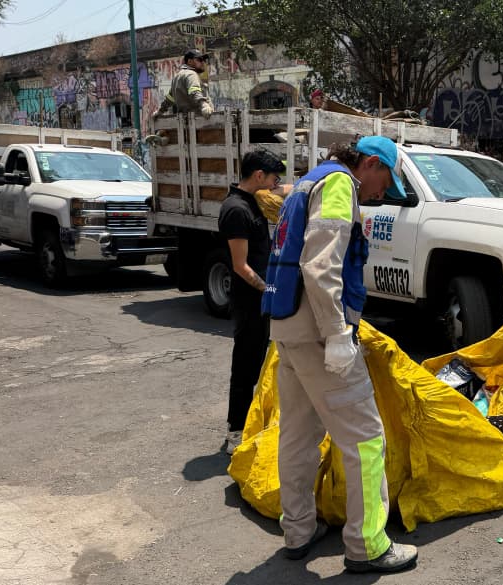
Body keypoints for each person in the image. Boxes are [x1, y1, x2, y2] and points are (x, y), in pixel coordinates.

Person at [262, 135, 417, 573]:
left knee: (297, 436)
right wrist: (336, 335)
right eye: (385, 183)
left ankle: (298, 530)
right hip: (318, 334)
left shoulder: (309, 181)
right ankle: (368, 545)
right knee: (366, 438)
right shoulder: (338, 185)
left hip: (288, 329)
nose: (381, 194)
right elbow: (320, 266)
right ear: (370, 164)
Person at [217, 150, 284, 454]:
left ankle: (250, 424)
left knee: (257, 364)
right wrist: (269, 290)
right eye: (272, 179)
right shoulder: (236, 210)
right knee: (245, 365)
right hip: (249, 300)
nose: (274, 185)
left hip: (260, 299)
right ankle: (236, 430)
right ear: (259, 175)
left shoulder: (253, 201)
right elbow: (241, 266)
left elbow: (287, 191)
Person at [152, 49, 214, 119]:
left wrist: (160, 111)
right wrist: (204, 105)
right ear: (189, 61)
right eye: (199, 60)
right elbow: (194, 92)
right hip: (199, 119)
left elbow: (170, 98)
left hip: (184, 120)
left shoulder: (177, 76)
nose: (203, 62)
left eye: (204, 60)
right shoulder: (191, 74)